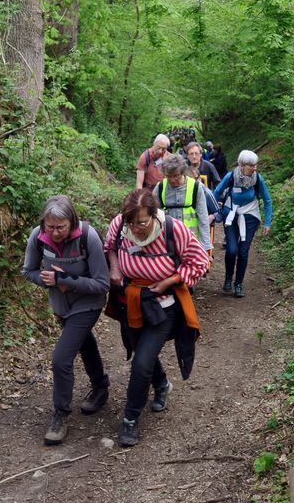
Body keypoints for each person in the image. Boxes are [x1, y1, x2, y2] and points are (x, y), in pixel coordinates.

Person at [104, 189, 209, 447]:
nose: (136, 228)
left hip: (163, 307)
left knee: (141, 363)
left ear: (154, 214)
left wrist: (169, 281)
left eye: (142, 222)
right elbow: (110, 248)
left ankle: (130, 419)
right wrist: (115, 267)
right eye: (131, 222)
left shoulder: (173, 230)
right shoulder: (120, 225)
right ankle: (161, 384)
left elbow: (200, 261)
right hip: (130, 302)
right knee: (139, 350)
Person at [22, 195, 110, 446]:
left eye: (61, 227)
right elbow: (28, 271)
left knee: (61, 359)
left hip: (88, 303)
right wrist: (47, 279)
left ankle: (60, 414)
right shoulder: (37, 236)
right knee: (84, 343)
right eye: (50, 227)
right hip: (60, 305)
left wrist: (65, 280)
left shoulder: (87, 237)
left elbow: (102, 283)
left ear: (72, 221)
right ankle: (100, 386)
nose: (55, 232)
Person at [214, 150, 272, 298]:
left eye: (255, 165)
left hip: (250, 217)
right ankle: (228, 278)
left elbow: (267, 200)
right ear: (241, 165)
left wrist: (267, 222)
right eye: (250, 165)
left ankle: (238, 284)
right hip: (231, 215)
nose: (254, 168)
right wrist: (213, 211)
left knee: (243, 251)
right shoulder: (231, 177)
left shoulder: (258, 179)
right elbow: (215, 192)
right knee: (232, 250)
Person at [153, 153, 211, 253]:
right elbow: (153, 216)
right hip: (167, 242)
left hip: (191, 242)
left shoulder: (196, 187)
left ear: (183, 172)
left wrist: (205, 247)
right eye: (168, 176)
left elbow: (203, 218)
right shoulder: (160, 187)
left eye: (176, 176)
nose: (172, 180)